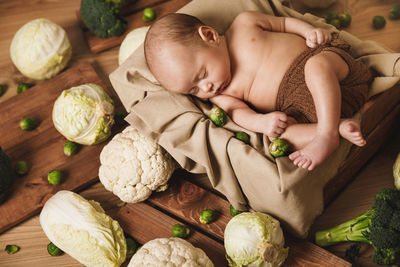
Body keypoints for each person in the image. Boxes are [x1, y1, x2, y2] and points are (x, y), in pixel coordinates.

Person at [143, 12, 371, 171]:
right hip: (310, 108)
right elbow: (237, 113)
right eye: (194, 90)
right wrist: (261, 123)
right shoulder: (222, 95)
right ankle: (336, 127)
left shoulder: (245, 25)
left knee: (316, 68)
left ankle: (326, 135)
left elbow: (283, 24)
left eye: (202, 75)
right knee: (279, 135)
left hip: (332, 68)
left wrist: (309, 32)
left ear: (210, 36)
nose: (206, 88)